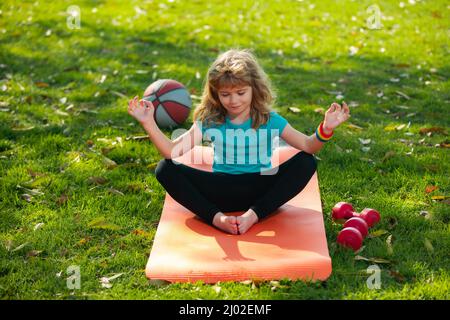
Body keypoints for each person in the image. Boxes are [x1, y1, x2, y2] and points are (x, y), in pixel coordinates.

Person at [127, 49, 350, 235]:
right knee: (165, 169)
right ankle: (216, 218)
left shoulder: (270, 119)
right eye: (225, 95)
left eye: (241, 92)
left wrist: (326, 128)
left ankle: (253, 216)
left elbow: (309, 145)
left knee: (306, 162)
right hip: (219, 190)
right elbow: (170, 152)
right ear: (216, 94)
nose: (233, 101)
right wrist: (149, 123)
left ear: (255, 89)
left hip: (261, 189)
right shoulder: (209, 120)